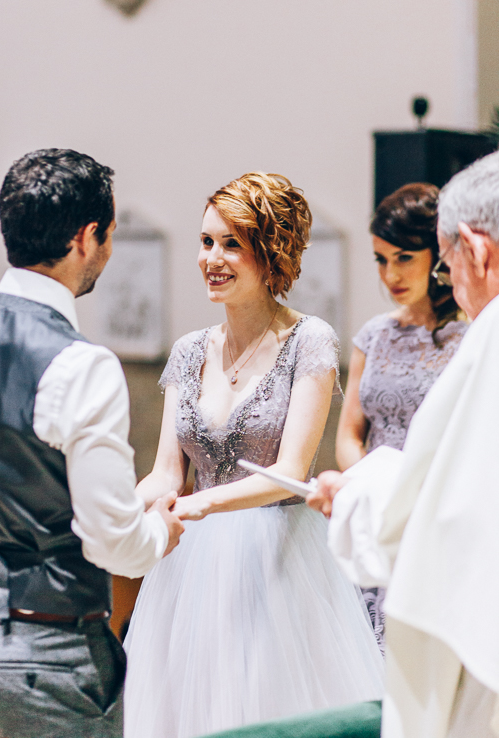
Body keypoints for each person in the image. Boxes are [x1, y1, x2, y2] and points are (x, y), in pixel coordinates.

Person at [0, 149, 184, 738]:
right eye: (108, 235)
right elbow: (111, 541)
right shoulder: (82, 366)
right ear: (86, 238)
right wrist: (160, 532)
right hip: (47, 650)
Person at [123, 173, 384, 738]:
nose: (211, 258)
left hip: (278, 559)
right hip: (188, 566)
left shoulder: (309, 342)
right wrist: (117, 507)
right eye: (206, 241)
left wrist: (201, 505)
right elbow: (167, 473)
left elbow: (290, 472)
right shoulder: (190, 350)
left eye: (231, 244)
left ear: (271, 253)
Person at [307, 151, 499, 738]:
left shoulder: (484, 340)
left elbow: (458, 502)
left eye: (445, 265)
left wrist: (358, 490)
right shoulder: (377, 334)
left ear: (476, 248)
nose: (451, 284)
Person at [335, 184, 467, 649]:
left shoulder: (470, 336)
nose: (390, 273)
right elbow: (350, 436)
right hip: (376, 514)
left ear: (438, 253)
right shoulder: (373, 334)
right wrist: (371, 486)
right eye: (380, 259)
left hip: (435, 514)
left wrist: (408, 494)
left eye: (405, 257)